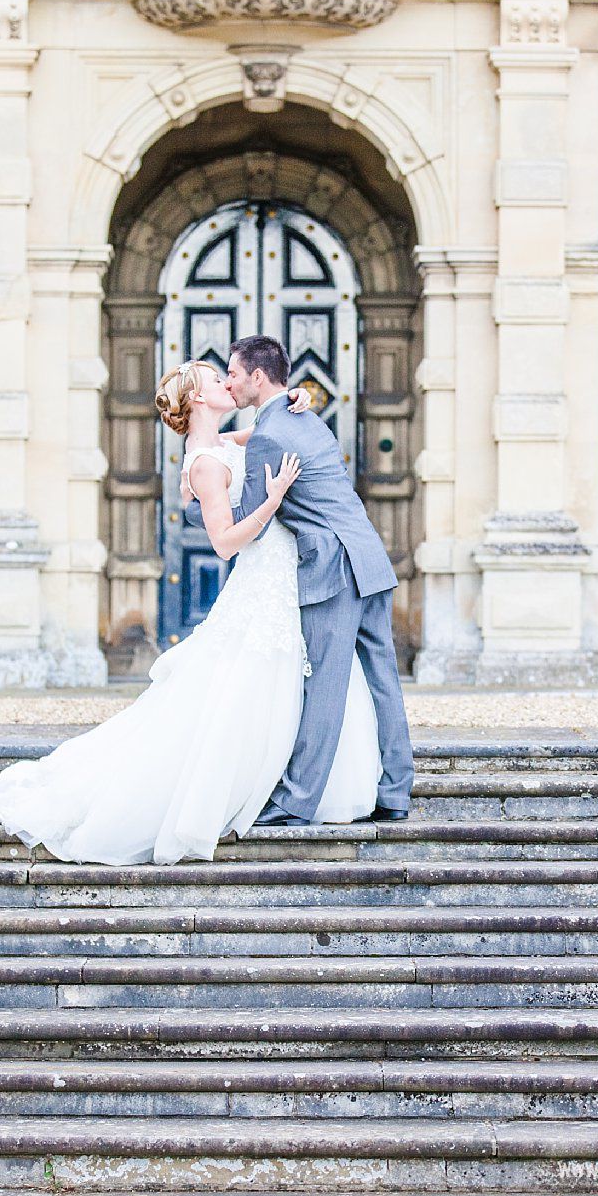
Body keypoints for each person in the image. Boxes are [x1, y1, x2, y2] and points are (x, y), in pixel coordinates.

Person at [0, 356, 383, 866]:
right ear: (198, 397)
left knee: (281, 683)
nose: (228, 383)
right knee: (248, 687)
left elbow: (262, 430)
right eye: (218, 379)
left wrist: (293, 397)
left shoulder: (219, 446)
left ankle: (285, 786)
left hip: (285, 576)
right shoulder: (205, 464)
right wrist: (273, 499)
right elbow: (224, 543)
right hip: (262, 576)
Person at [184, 335, 413, 827]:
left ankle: (297, 800)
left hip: (333, 570)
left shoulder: (269, 436)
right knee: (383, 681)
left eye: (234, 374)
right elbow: (253, 440)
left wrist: (198, 505)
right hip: (368, 557)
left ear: (257, 377)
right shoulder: (306, 417)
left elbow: (250, 521)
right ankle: (396, 790)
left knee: (324, 686)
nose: (230, 381)